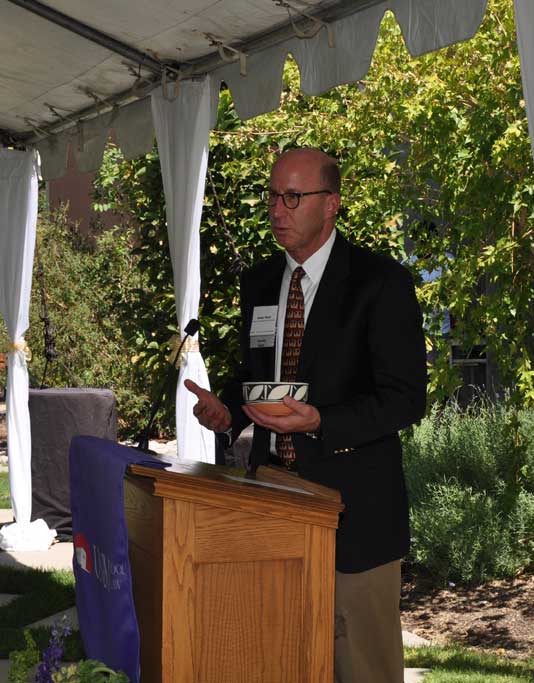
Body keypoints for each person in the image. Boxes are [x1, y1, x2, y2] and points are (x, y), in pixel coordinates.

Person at [185, 147, 427, 683]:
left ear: (331, 204)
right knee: (279, 658)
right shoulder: (259, 283)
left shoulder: (379, 283)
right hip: (272, 501)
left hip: (354, 513)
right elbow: (259, 372)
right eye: (273, 196)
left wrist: (321, 420)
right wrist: (228, 410)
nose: (277, 209)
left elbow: (406, 398)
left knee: (361, 668)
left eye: (293, 197)